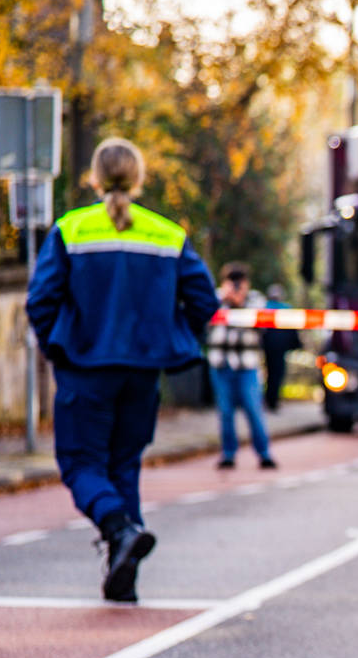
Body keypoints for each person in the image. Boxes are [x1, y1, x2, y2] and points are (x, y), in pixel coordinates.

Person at [24, 137, 220, 602]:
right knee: (123, 465)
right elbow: (204, 300)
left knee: (80, 464)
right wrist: (168, 337)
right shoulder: (167, 234)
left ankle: (117, 528)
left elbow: (40, 300)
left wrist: (60, 347)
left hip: (86, 366)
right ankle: (124, 576)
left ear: (93, 178)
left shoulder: (72, 230)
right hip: (143, 371)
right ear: (139, 179)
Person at [208, 263, 276, 470]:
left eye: (240, 282)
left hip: (247, 365)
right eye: (232, 282)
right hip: (221, 363)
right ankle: (228, 454)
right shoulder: (215, 298)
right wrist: (226, 301)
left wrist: (241, 303)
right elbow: (203, 321)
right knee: (225, 412)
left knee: (253, 409)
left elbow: (262, 327)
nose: (236, 287)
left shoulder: (255, 300)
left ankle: (264, 453)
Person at [260, 282, 301, 411]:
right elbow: (293, 332)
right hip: (280, 348)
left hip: (268, 347)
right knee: (277, 373)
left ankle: (269, 399)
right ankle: (272, 401)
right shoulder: (286, 309)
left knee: (270, 372)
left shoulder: (265, 308)